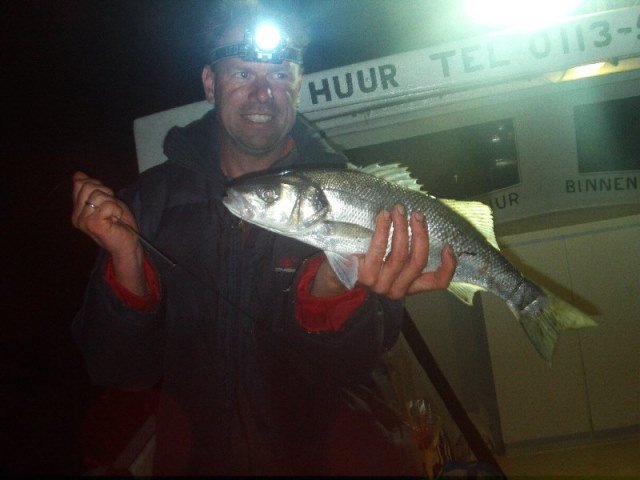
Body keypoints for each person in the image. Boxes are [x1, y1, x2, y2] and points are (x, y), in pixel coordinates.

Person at [71, 1, 457, 475]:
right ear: (210, 83)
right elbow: (115, 369)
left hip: (336, 461)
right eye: (241, 75)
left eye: (278, 74)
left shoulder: (355, 196)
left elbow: (359, 367)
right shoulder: (148, 203)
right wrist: (126, 260)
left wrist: (334, 295)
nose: (262, 94)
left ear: (296, 83)